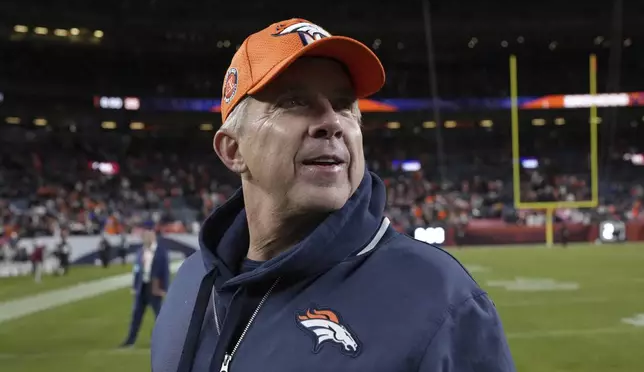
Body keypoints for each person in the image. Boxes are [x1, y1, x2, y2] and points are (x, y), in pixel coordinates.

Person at [152, 18, 515, 371]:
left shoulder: (442, 302)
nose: (332, 122)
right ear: (233, 150)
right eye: (294, 101)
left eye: (343, 105)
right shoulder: (193, 281)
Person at [120, 222, 170, 348]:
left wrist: (164, 288)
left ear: (153, 236)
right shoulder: (140, 251)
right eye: (144, 236)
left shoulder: (160, 251)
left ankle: (166, 340)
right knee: (136, 315)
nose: (145, 238)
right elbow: (137, 270)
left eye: (148, 236)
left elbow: (165, 271)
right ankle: (130, 340)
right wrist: (135, 285)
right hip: (142, 287)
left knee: (160, 316)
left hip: (154, 287)